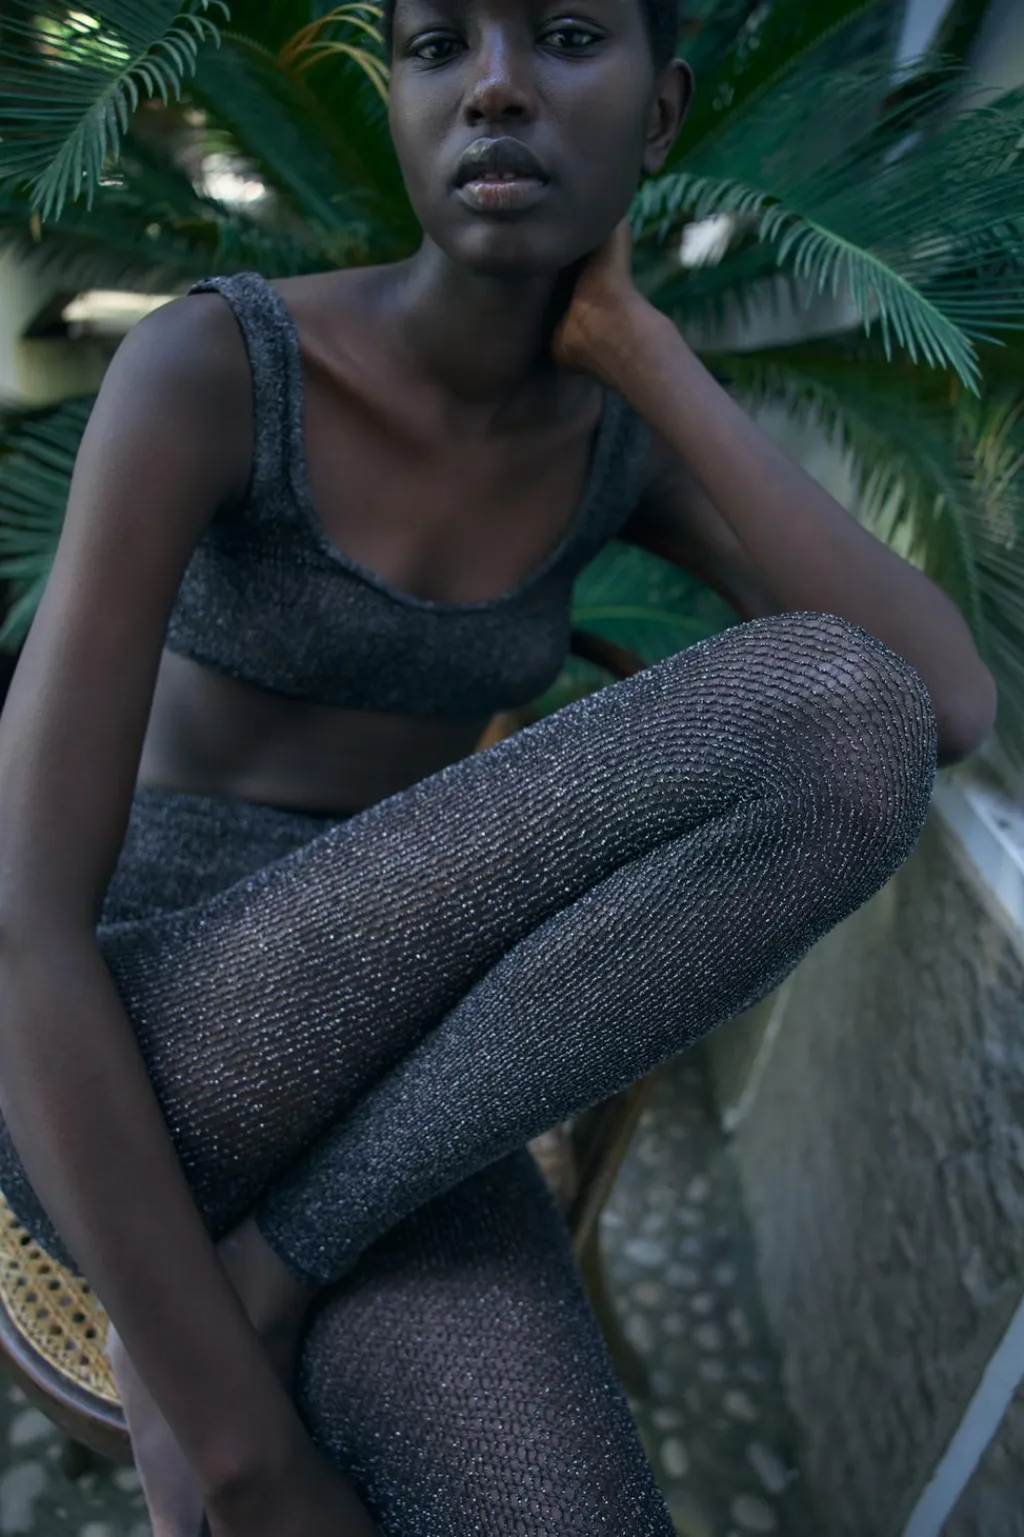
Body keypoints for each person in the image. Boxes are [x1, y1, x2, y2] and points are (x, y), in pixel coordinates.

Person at [0, 0, 997, 1530]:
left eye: (566, 35)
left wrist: (647, 356)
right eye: (436, 45)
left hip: (407, 1096)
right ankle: (274, 1273)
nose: (494, 89)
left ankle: (290, 1253)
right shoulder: (215, 369)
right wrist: (241, 1450)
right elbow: (19, 928)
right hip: (156, 1048)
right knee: (828, 701)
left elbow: (942, 702)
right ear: (397, 96)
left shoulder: (617, 440)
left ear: (660, 116)